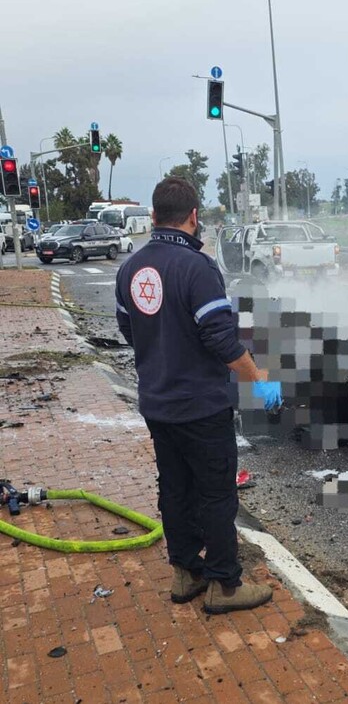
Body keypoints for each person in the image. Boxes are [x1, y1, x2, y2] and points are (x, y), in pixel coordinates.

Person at [115, 177, 281, 614]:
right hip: (201, 408)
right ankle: (226, 586)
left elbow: (128, 329)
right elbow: (223, 342)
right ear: (193, 217)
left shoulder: (130, 269)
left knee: (175, 489)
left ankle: (186, 573)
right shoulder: (198, 267)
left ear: (153, 217)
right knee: (215, 493)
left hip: (157, 404)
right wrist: (258, 378)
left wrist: (162, 352)